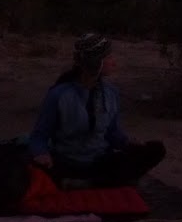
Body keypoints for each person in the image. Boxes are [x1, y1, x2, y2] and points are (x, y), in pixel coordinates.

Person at [27, 33, 165, 187]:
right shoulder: (59, 95)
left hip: (99, 161)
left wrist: (127, 142)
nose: (114, 62)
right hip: (66, 162)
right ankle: (96, 182)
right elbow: (39, 136)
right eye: (109, 58)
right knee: (32, 167)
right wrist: (41, 154)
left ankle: (87, 183)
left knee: (156, 149)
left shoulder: (111, 93)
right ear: (96, 62)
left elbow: (112, 133)